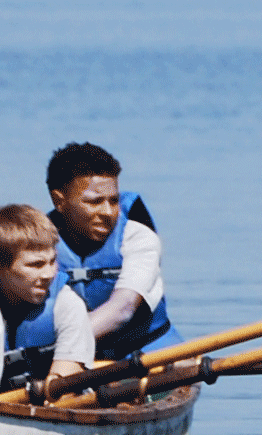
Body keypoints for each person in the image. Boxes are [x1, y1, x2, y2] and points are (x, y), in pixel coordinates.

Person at [44, 141, 171, 363]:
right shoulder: (37, 242)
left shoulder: (137, 236)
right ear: (59, 201)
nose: (107, 212)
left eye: (113, 201)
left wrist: (56, 348)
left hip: (148, 353)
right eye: (93, 202)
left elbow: (123, 308)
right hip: (71, 357)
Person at [0, 203, 97, 398]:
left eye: (52, 261)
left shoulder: (67, 304)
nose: (49, 274)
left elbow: (63, 390)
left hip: (53, 405)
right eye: (36, 264)